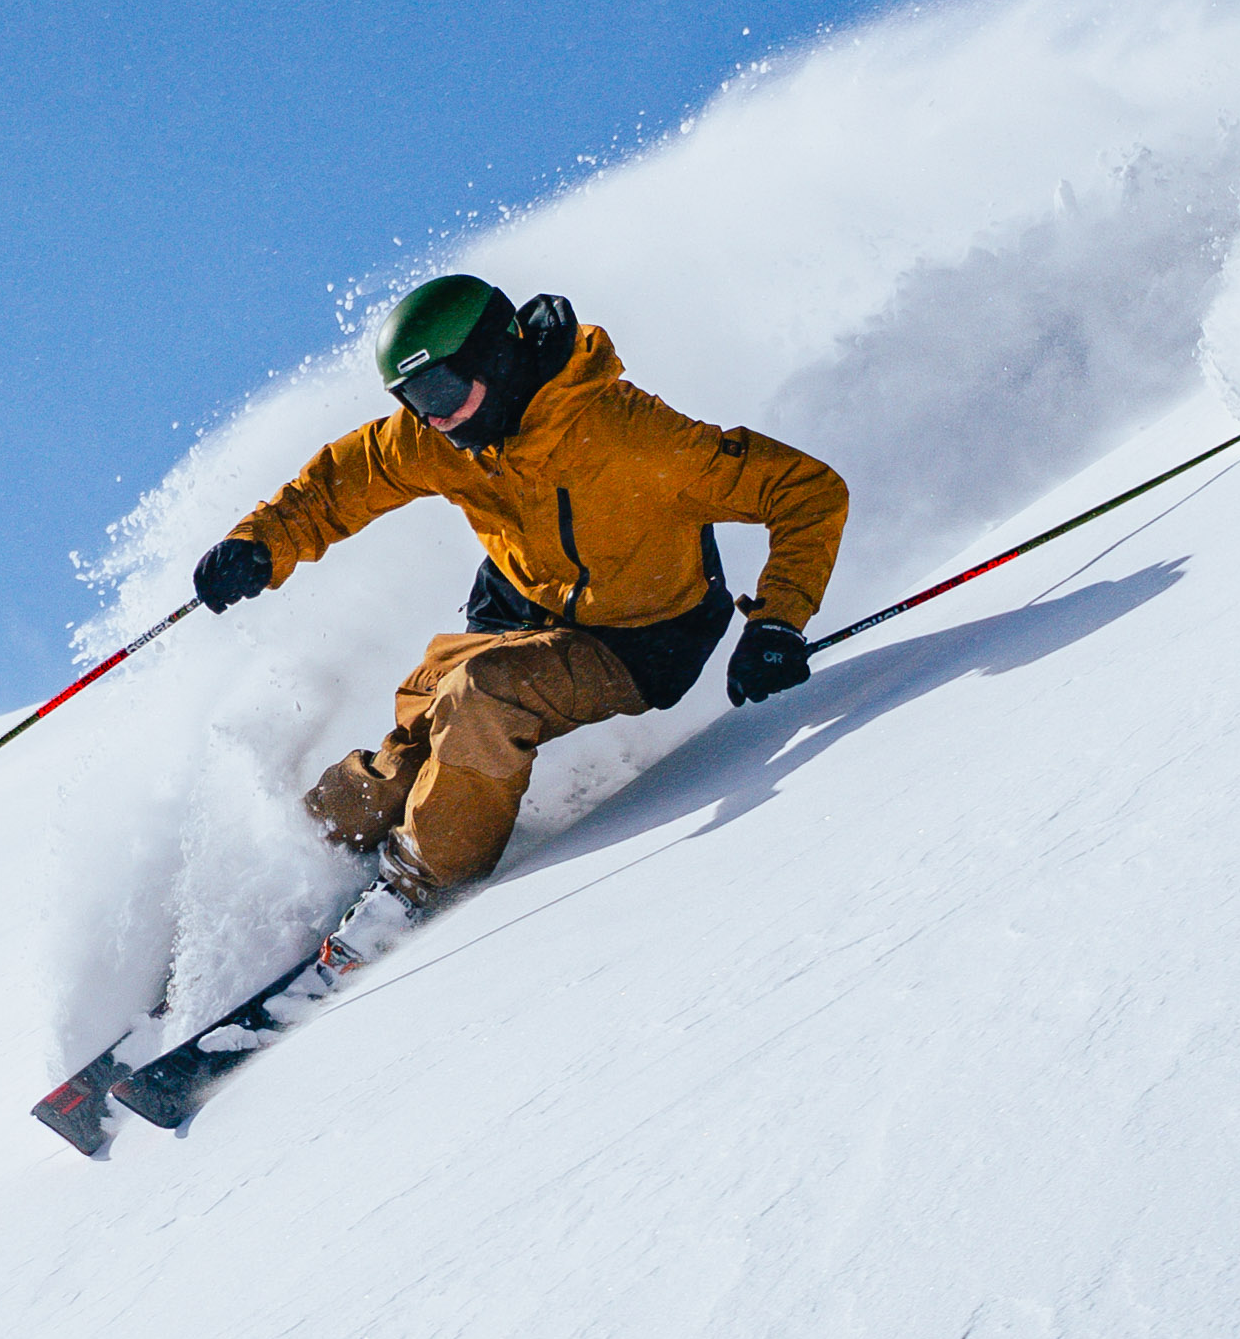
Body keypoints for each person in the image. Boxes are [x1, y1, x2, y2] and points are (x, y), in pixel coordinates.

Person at [188, 275, 851, 902]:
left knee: (485, 697)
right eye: (416, 402)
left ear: (497, 357)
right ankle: (298, 865)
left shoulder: (629, 435)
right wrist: (257, 542)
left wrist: (777, 621)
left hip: (642, 637)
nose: (437, 420)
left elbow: (804, 490)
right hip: (519, 604)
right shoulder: (436, 438)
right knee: (415, 744)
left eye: (443, 394)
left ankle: (417, 883)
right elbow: (340, 482)